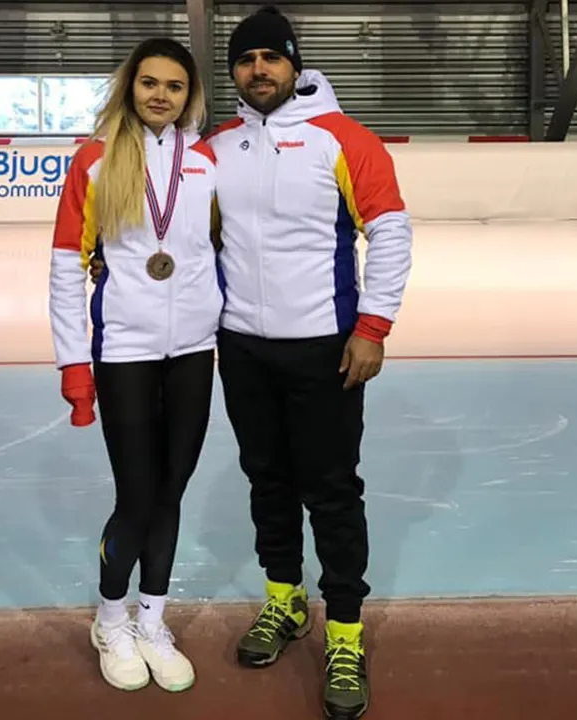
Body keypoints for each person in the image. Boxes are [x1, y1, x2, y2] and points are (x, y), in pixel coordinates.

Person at [90, 7, 412, 717]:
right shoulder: (217, 148)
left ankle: (345, 633)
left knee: (331, 489)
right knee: (267, 480)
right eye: (245, 59)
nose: (259, 69)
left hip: (326, 346)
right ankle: (283, 600)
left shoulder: (345, 139)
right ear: (232, 72)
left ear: (295, 64)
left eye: (271, 57)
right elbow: (183, 232)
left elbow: (390, 232)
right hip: (240, 346)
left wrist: (372, 327)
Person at [48, 36, 221, 695]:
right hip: (124, 350)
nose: (160, 95)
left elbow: (231, 246)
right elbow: (66, 267)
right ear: (130, 87)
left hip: (194, 351)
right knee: (138, 495)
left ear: (189, 95)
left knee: (171, 491)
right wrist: (74, 364)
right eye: (149, 82)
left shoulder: (207, 160)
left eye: (174, 86)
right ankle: (111, 618)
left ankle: (152, 620)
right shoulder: (94, 161)